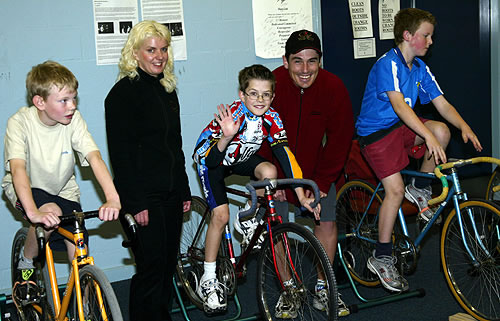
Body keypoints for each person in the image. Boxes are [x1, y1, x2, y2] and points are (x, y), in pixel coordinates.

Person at [356, 8, 482, 293]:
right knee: (395, 191)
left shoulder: (420, 68)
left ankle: (420, 187)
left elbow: (441, 103)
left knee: (442, 130)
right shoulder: (387, 64)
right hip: (375, 135)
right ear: (407, 35)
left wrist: (465, 127)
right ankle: (382, 256)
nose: (430, 41)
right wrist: (427, 137)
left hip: (400, 128)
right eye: (425, 36)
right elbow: (400, 107)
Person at [193, 64, 321, 317]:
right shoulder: (233, 117)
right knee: (220, 216)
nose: (260, 100)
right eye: (253, 93)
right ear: (242, 95)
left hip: (240, 158)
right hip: (213, 158)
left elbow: (285, 157)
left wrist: (301, 195)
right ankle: (208, 280)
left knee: (270, 172)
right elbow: (211, 161)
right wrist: (226, 137)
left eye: (265, 94)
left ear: (273, 96)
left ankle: (249, 217)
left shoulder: (272, 118)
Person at [2, 60, 121, 305]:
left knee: (78, 246)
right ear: (40, 102)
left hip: (63, 189)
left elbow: (94, 158)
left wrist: (113, 198)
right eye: (64, 101)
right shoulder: (20, 123)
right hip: (25, 186)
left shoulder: (73, 120)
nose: (72, 106)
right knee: (49, 213)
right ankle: (26, 265)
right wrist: (33, 212)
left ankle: (84, 305)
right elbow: (18, 169)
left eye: (74, 99)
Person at [257, 29, 354, 317]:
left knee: (326, 224)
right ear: (285, 61)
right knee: (275, 230)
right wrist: (264, 175)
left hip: (316, 171)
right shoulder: (270, 85)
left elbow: (340, 138)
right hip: (274, 167)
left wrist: (323, 182)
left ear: (320, 61)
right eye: (297, 61)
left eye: (312, 61)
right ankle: (289, 289)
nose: (305, 69)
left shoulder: (333, 87)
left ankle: (324, 289)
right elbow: (257, 134)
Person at [104, 20, 191, 321]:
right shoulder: (121, 95)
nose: (159, 56)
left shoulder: (167, 90)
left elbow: (174, 145)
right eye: (151, 50)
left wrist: (183, 189)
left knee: (167, 266)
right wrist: (136, 202)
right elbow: (121, 155)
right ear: (135, 53)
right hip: (143, 197)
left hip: (169, 193)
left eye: (164, 49)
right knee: (150, 268)